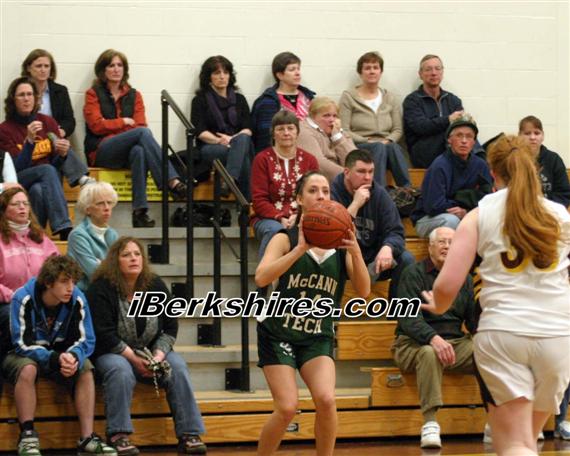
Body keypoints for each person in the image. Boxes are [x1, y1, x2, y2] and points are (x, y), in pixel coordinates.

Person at [423, 134, 570, 456]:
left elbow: (446, 286)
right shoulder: (560, 215)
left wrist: (438, 304)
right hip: (558, 337)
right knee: (526, 441)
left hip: (504, 332)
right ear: (533, 168)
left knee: (514, 445)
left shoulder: (481, 213)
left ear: (492, 172)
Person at [255, 171, 370, 456]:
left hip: (317, 334)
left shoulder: (340, 243)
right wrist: (300, 249)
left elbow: (364, 290)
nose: (321, 195)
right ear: (299, 199)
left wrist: (356, 252)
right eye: (313, 190)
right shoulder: (284, 238)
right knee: (287, 408)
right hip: (278, 333)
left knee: (327, 400)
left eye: (326, 191)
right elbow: (261, 277)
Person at [87, 237, 206, 455]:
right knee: (120, 370)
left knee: (177, 367)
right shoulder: (101, 288)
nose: (133, 258)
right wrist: (134, 359)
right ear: (115, 261)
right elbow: (104, 334)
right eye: (126, 255)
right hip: (111, 352)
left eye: (137, 254)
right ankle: (118, 435)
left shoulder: (155, 285)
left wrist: (158, 357)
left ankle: (189, 434)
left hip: (150, 351)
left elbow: (170, 327)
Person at [2, 255, 116, 456]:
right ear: (48, 282)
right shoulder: (23, 297)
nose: (70, 288)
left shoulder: (77, 298)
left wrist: (73, 356)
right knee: (28, 368)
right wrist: (55, 358)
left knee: (86, 367)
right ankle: (27, 436)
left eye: (73, 282)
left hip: (61, 356)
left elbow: (87, 339)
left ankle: (87, 438)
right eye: (64, 281)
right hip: (21, 355)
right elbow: (21, 344)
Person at [83, 49, 187, 228]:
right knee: (142, 134)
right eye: (111, 65)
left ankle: (140, 212)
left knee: (139, 150)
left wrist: (114, 126)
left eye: (120, 65)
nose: (116, 69)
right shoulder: (93, 94)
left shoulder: (134, 95)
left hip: (126, 151)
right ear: (103, 70)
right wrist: (123, 122)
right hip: (102, 150)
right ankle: (171, 181)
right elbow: (96, 126)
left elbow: (139, 123)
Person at [392, 227, 476, 449]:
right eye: (441, 242)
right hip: (413, 344)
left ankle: (496, 418)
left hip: (455, 344)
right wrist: (433, 338)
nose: (447, 246)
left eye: (451, 242)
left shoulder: (465, 278)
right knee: (430, 353)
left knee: (490, 351)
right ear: (430, 247)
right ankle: (430, 422)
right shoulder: (412, 273)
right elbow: (407, 318)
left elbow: (473, 322)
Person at [0, 77, 86, 239]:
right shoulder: (5, 130)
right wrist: (29, 142)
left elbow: (55, 164)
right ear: (13, 100)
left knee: (38, 190)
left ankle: (35, 234)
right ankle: (63, 226)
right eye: (21, 95)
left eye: (30, 94)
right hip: (19, 180)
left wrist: (62, 155)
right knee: (46, 170)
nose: (26, 99)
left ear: (35, 98)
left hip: (46, 181)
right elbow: (15, 169)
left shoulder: (47, 122)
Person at [331, 149, 414, 299]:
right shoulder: (333, 192)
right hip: (343, 260)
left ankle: (397, 312)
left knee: (406, 259)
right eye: (361, 171)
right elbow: (333, 233)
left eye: (371, 171)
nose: (367, 177)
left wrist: (388, 247)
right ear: (347, 172)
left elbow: (396, 231)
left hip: (372, 261)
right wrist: (355, 204)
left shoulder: (380, 195)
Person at [411, 114, 492, 238]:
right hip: (428, 218)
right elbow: (434, 205)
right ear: (449, 140)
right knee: (452, 221)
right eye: (459, 135)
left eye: (469, 136)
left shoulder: (481, 165)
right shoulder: (439, 165)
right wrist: (464, 203)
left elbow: (487, 199)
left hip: (465, 214)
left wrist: (466, 211)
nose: (464, 141)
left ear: (474, 142)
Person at [250, 111, 318, 258]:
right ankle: (267, 272)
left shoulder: (310, 160)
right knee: (276, 231)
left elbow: (314, 196)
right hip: (267, 218)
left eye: (290, 128)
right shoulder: (262, 159)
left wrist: (299, 216)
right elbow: (259, 200)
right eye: (280, 129)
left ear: (297, 132)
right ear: (273, 134)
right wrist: (280, 217)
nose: (286, 133)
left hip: (303, 216)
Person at [0, 187, 59, 352]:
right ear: (3, 210)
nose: (22, 207)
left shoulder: (41, 238)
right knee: (13, 314)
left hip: (40, 299)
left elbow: (57, 269)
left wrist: (47, 294)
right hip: (7, 302)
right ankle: (16, 356)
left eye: (25, 204)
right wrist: (15, 296)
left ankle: (57, 355)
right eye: (16, 204)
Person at [339, 51, 410, 187]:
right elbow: (344, 130)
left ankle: (408, 190)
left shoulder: (390, 97)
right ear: (360, 73)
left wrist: (387, 140)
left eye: (375, 67)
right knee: (379, 147)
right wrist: (367, 140)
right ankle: (377, 190)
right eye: (367, 68)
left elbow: (397, 130)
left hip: (386, 144)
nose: (372, 71)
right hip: (360, 145)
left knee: (393, 147)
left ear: (380, 72)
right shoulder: (349, 97)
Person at [191, 55, 253, 199]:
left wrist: (232, 139)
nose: (222, 76)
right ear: (208, 77)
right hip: (211, 147)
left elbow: (248, 128)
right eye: (217, 73)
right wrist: (220, 140)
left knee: (243, 142)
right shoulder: (199, 100)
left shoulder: (239, 99)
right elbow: (200, 131)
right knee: (243, 155)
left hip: (237, 143)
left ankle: (229, 181)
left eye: (225, 72)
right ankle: (246, 204)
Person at [403, 54, 464, 169]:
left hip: (451, 148)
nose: (434, 73)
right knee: (450, 137)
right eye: (428, 69)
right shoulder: (412, 100)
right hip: (424, 152)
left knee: (468, 136)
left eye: (437, 68)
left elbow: (461, 127)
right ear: (420, 74)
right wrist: (448, 120)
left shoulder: (453, 100)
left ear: (442, 72)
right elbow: (421, 127)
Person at [251, 51, 315, 153]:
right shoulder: (267, 102)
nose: (298, 73)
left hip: (312, 147)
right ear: (280, 75)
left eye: (298, 69)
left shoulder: (309, 98)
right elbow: (265, 137)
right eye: (292, 70)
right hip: (281, 152)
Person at [67, 181, 119, 291]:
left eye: (109, 203)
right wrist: (110, 266)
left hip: (110, 291)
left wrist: (102, 263)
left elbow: (122, 269)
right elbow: (95, 273)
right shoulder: (77, 235)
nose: (107, 207)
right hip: (87, 294)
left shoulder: (113, 234)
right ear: (87, 209)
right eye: (100, 203)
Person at [296, 97, 356, 182]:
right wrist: (350, 176)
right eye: (326, 115)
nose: (332, 120)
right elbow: (319, 164)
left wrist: (337, 137)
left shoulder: (336, 130)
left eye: (334, 116)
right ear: (313, 116)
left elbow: (355, 160)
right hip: (323, 181)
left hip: (344, 179)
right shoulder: (304, 131)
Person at [21, 49, 76, 138]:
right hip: (28, 138)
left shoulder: (61, 91)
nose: (43, 70)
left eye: (46, 66)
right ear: (28, 68)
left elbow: (69, 121)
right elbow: (14, 120)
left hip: (55, 139)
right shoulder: (21, 91)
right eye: (38, 66)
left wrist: (62, 131)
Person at [518, 115, 570, 207]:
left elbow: (563, 194)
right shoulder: (512, 159)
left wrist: (545, 210)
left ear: (542, 136)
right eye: (527, 133)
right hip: (519, 212)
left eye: (537, 133)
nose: (532, 137)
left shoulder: (554, 160)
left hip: (548, 213)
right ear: (519, 136)